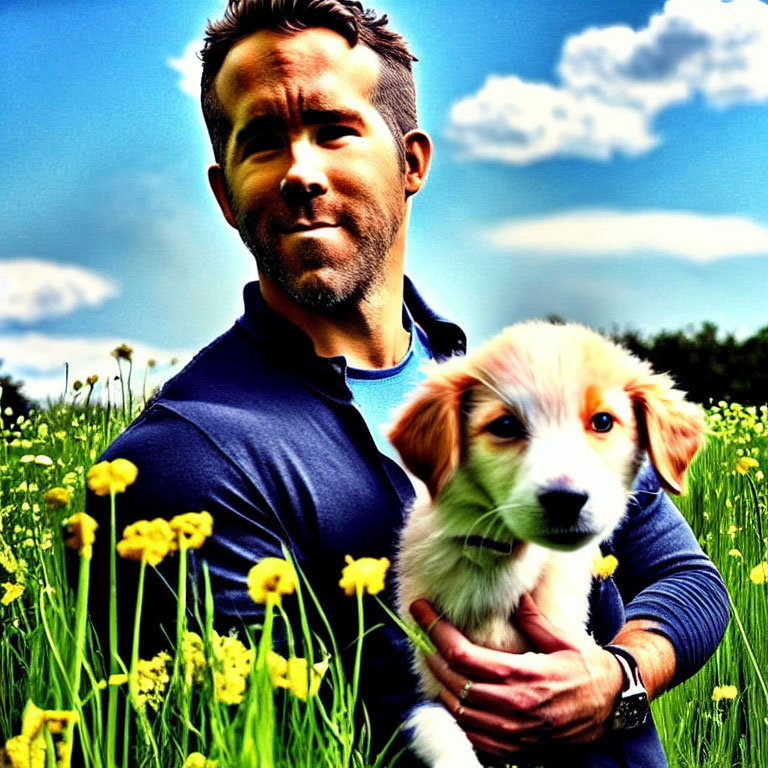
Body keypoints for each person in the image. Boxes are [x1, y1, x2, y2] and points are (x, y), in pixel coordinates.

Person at [86, 1, 729, 766]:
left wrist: (616, 677)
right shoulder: (184, 461)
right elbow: (263, 737)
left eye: (334, 128)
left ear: (412, 161)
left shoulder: (518, 384)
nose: (300, 172)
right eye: (262, 142)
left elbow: (687, 581)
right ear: (226, 194)